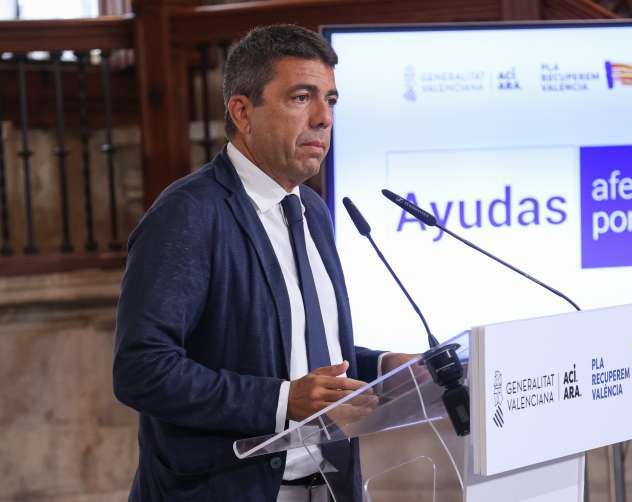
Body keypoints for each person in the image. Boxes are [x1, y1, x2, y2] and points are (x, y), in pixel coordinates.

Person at [113, 24, 414, 502]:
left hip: (328, 488)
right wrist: (281, 401)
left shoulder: (311, 209)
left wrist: (381, 367)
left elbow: (294, 349)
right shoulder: (189, 214)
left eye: (331, 101)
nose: (323, 118)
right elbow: (142, 369)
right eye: (301, 98)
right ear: (242, 111)